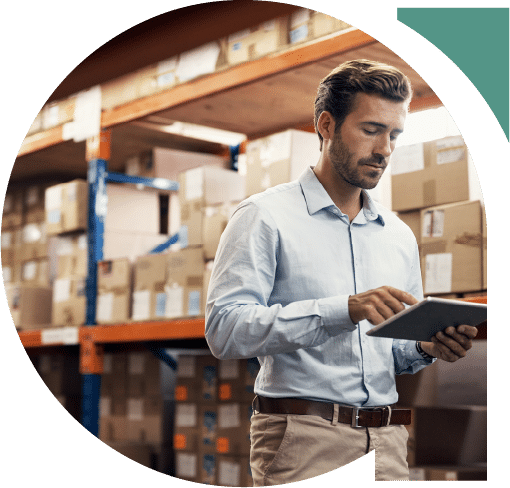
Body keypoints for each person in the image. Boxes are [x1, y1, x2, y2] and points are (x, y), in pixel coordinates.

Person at [204, 59, 478, 484]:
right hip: (303, 440)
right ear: (327, 125)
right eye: (371, 130)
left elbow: (394, 353)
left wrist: (428, 347)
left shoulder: (398, 236)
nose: (385, 148)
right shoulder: (265, 216)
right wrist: (343, 309)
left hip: (386, 443)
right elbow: (224, 329)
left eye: (394, 135)